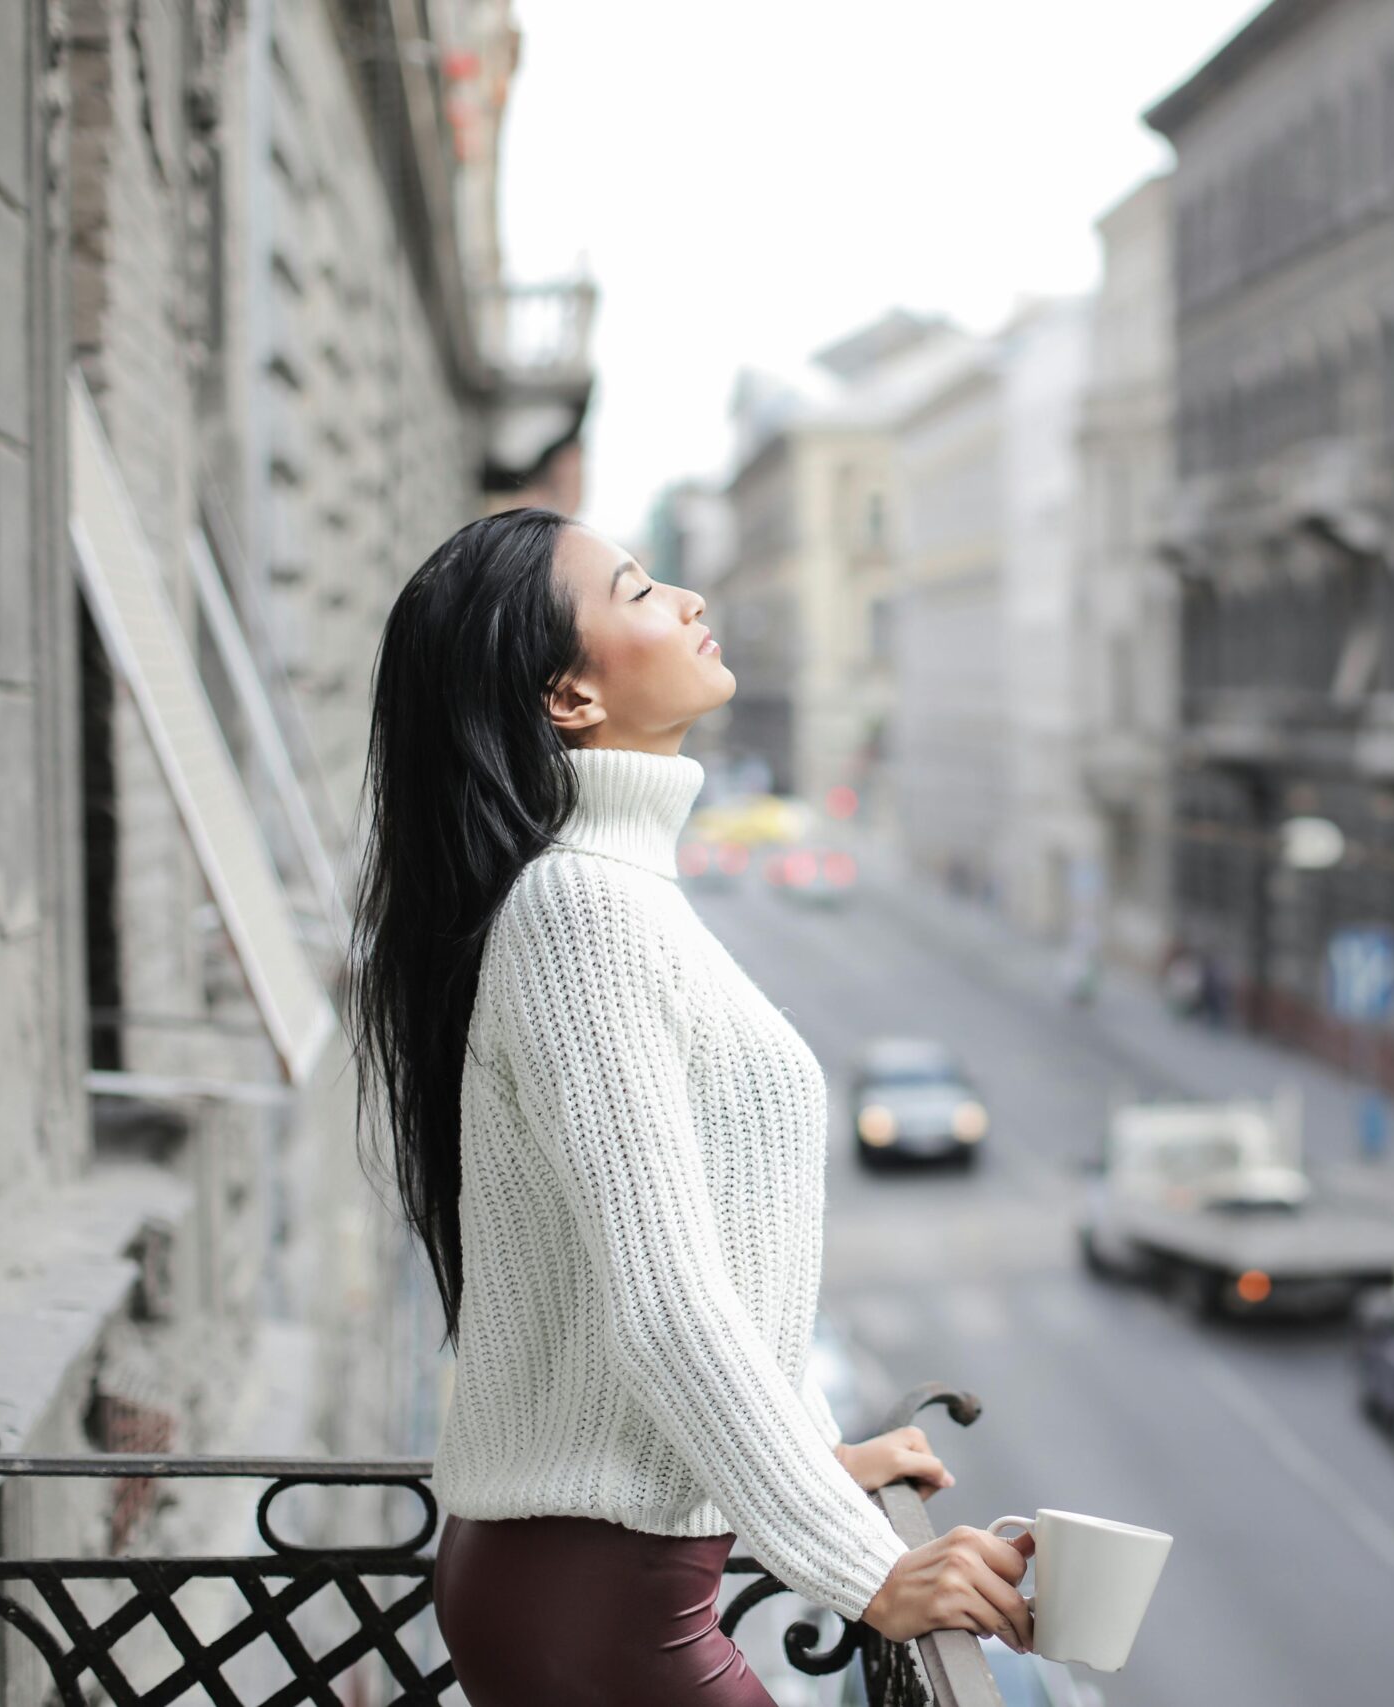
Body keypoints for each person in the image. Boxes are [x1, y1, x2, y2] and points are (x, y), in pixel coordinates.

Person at [348, 510, 1032, 1706]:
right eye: (641, 590)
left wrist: (813, 1471)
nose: (690, 600)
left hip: (605, 1582)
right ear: (568, 695)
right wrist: (867, 1570)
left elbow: (736, 1262)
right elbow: (662, 1300)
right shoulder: (580, 912)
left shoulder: (618, 891)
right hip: (594, 1603)